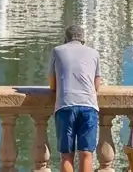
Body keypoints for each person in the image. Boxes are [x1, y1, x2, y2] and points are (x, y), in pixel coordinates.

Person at [49, 25, 101, 172]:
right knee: (86, 154)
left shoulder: (57, 51)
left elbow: (52, 82)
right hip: (89, 106)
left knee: (66, 156)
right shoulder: (94, 53)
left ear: (66, 39)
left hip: (65, 105)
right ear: (83, 39)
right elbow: (97, 84)